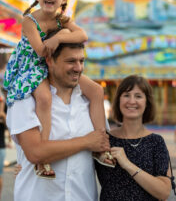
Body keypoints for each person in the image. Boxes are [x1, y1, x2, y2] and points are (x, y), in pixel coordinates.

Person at [3, 0, 109, 178]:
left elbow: (83, 35)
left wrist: (60, 36)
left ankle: (100, 145)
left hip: (53, 65)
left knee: (96, 90)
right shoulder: (29, 21)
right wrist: (61, 37)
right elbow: (42, 51)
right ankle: (44, 155)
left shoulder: (62, 20)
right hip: (32, 66)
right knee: (44, 98)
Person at [6, 30, 110, 200]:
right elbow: (35, 153)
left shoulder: (90, 100)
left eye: (81, 61)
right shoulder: (25, 99)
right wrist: (86, 142)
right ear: (49, 60)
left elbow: (104, 144)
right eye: (70, 61)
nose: (78, 68)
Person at [95, 75, 173, 200]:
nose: (131, 101)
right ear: (119, 101)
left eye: (138, 96)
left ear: (147, 103)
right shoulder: (104, 140)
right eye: (126, 95)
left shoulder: (156, 142)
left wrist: (127, 164)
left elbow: (163, 192)